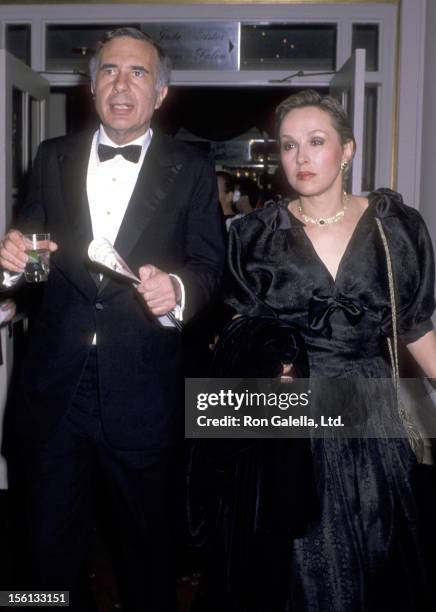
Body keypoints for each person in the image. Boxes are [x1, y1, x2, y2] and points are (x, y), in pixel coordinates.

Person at [0, 27, 225, 612]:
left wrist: (175, 290)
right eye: (109, 71)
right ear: (91, 83)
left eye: (138, 73)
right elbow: (33, 260)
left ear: (161, 92)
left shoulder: (192, 167)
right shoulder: (51, 156)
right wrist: (11, 266)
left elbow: (210, 266)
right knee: (43, 557)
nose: (121, 84)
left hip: (144, 394)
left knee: (148, 557)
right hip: (53, 392)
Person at [223, 89, 436, 610]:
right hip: (292, 422)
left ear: (347, 150)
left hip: (377, 416)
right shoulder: (253, 236)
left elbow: (416, 328)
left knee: (384, 557)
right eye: (289, 145)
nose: (301, 158)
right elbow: (235, 339)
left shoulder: (396, 228)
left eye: (316, 142)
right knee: (301, 569)